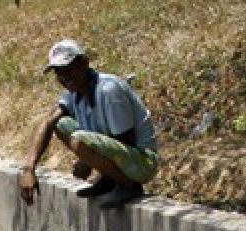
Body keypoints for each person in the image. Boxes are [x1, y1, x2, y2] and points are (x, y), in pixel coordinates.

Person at [18, 39, 159, 211]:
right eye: (59, 73)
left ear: (85, 63)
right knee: (59, 124)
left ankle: (129, 186)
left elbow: (127, 140)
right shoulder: (74, 93)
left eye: (69, 69)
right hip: (121, 155)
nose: (65, 77)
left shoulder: (108, 90)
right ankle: (109, 180)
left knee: (80, 140)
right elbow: (48, 121)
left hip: (142, 161)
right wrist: (29, 169)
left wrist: (87, 161)